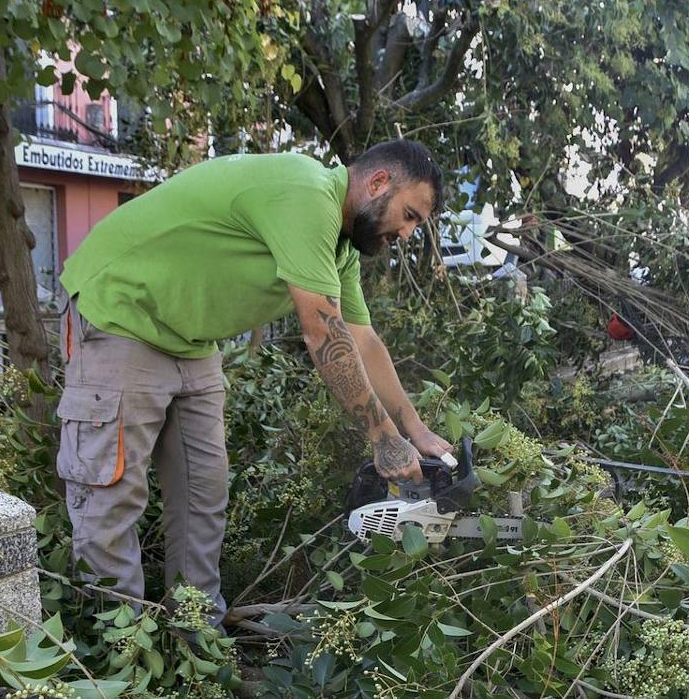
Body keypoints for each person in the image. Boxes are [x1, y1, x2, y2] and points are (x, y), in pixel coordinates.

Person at [55, 140, 453, 621]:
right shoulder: (305, 194)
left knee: (204, 493)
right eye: (409, 216)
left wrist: (414, 430)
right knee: (112, 498)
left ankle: (195, 634)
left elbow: (363, 340)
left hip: (192, 341)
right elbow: (323, 332)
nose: (408, 234)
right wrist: (384, 440)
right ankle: (119, 657)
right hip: (119, 315)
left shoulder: (341, 248)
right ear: (378, 183)